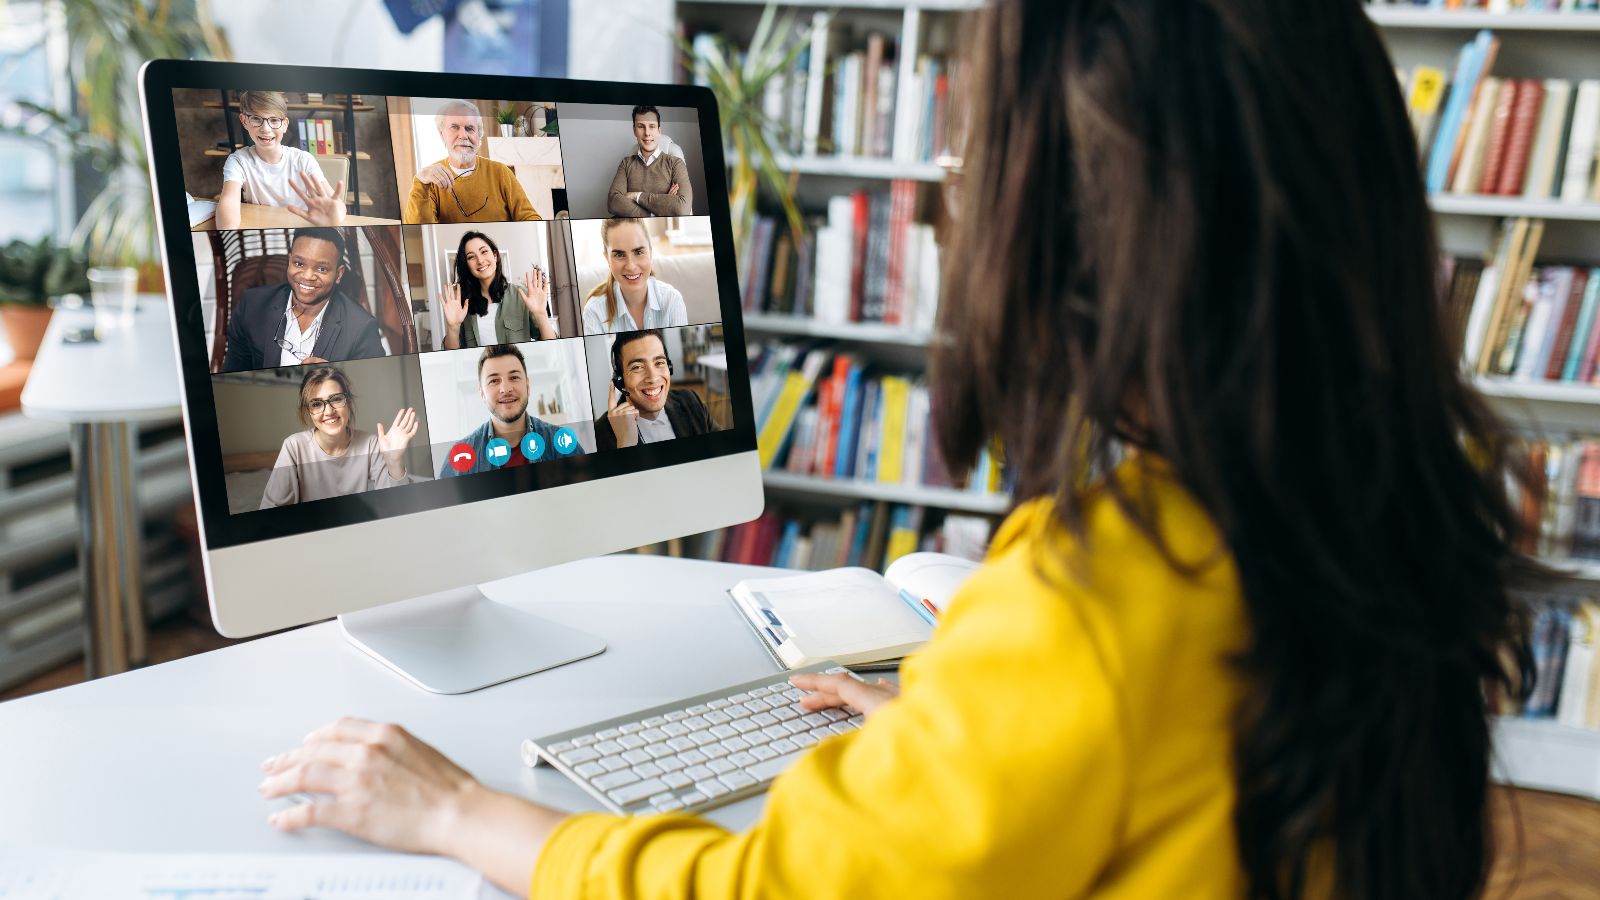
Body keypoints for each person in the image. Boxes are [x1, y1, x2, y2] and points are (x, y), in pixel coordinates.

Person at [258, 2, 1538, 898]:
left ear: (1078, 238)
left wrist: (460, 813)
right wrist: (967, 740)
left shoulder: (1094, 609)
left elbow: (771, 891)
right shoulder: (1374, 519)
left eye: (975, 158)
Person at [220, 227, 387, 372]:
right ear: (289, 260)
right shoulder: (251, 305)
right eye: (299, 264)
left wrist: (336, 375)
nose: (307, 276)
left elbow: (375, 386)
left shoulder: (362, 328)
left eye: (322, 269)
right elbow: (233, 371)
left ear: (339, 274)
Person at [259, 366, 418, 508]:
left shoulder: (370, 444)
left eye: (336, 399)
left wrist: (394, 461)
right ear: (308, 411)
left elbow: (398, 503)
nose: (328, 411)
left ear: (348, 402)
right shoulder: (294, 447)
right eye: (316, 404)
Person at [215, 90, 345, 231]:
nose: (266, 128)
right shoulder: (238, 160)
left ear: (285, 124)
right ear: (244, 121)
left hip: (299, 232)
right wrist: (228, 231)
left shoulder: (304, 160)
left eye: (274, 120)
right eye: (256, 119)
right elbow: (229, 202)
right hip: (261, 233)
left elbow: (335, 203)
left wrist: (335, 215)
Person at [436, 345, 573, 478]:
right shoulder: (459, 458)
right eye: (494, 380)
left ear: (528, 386)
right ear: (482, 393)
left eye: (514, 377)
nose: (505, 389)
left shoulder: (563, 443)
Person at [405, 99, 541, 224]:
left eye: (470, 129)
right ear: (442, 135)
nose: (463, 135)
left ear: (479, 136)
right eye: (455, 127)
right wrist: (420, 181)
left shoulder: (501, 172)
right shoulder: (431, 181)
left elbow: (530, 218)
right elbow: (419, 230)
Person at [594, 329, 715, 451]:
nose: (653, 378)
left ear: (669, 368)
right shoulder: (599, 434)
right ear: (620, 381)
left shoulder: (691, 400)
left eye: (659, 362)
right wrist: (625, 444)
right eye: (637, 367)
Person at [437, 231, 557, 350]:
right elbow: (452, 355)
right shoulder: (462, 304)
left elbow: (552, 349)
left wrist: (541, 314)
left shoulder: (521, 295)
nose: (480, 260)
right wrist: (453, 327)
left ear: (495, 256)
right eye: (471, 257)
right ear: (466, 265)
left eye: (484, 251)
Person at [580, 218, 688, 335]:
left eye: (638, 252)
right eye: (619, 254)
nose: (631, 266)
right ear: (607, 258)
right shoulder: (594, 311)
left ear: (650, 252)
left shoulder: (672, 301)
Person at [607, 105, 694, 217]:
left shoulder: (675, 163)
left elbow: (682, 208)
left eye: (652, 126)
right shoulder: (626, 163)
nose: (647, 133)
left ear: (659, 131)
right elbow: (613, 203)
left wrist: (636, 196)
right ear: (634, 131)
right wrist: (660, 209)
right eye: (641, 126)